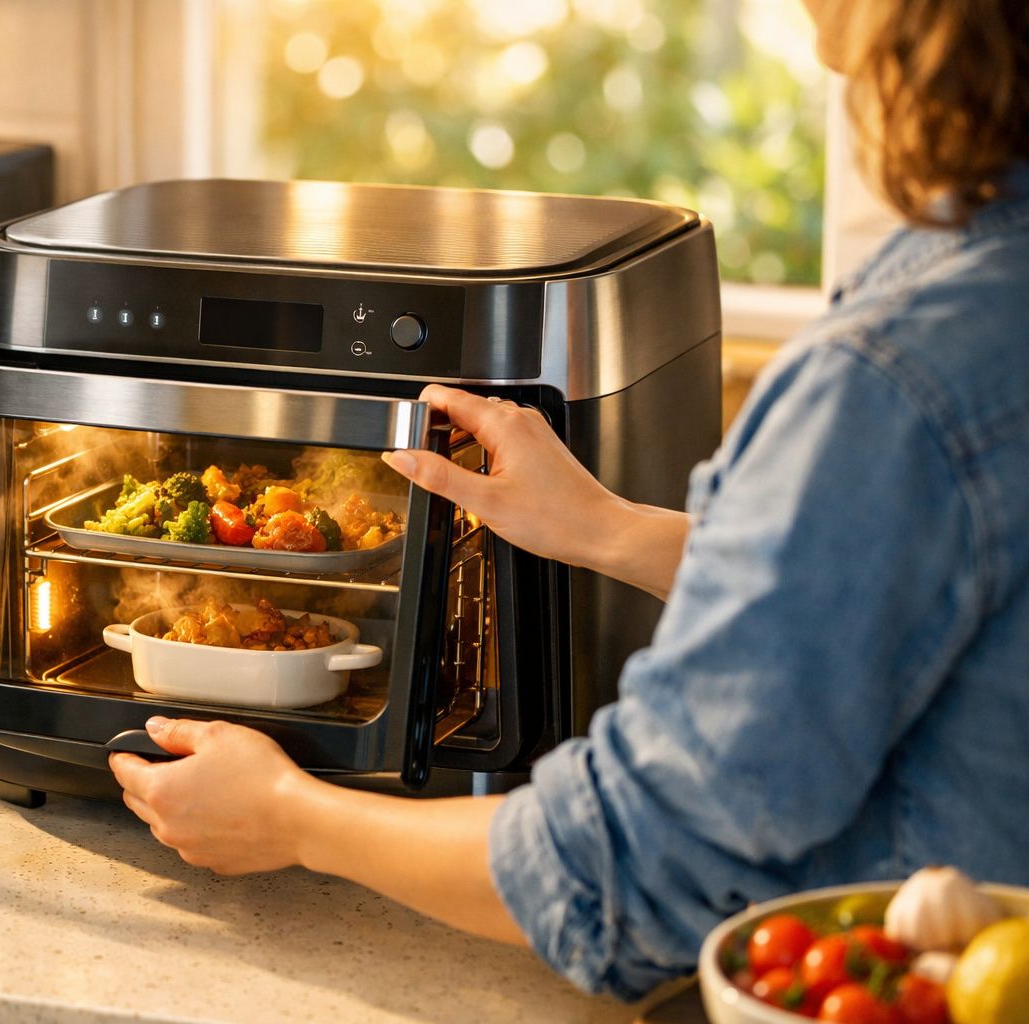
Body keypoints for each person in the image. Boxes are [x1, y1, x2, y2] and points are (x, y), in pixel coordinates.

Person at [109, 0, 1029, 998]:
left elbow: (628, 864)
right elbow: (901, 584)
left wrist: (293, 817)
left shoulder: (894, 376)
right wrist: (609, 530)